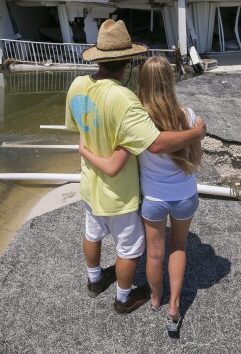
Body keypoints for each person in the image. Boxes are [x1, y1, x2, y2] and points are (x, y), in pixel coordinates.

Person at [66, 20, 206, 315]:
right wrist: (195, 133)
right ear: (127, 61)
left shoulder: (77, 84)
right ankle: (123, 297)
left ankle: (94, 281)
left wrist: (85, 147)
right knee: (128, 248)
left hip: (90, 185)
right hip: (119, 194)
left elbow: (78, 126)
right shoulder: (123, 99)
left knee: (92, 233)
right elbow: (156, 143)